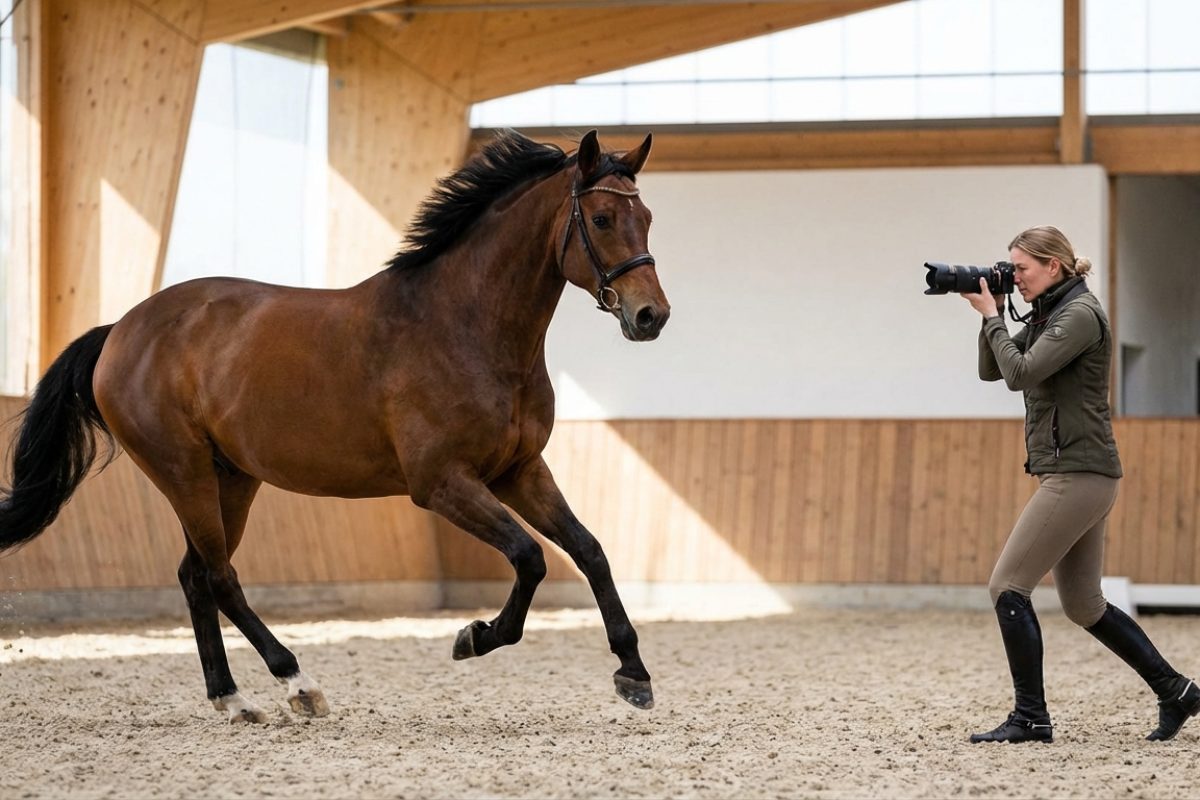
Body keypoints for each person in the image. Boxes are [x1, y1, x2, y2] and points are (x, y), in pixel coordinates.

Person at [963, 225, 1200, 744]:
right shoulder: (1052, 313)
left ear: (1054, 265)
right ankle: (1177, 691)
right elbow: (992, 370)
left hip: (1078, 474)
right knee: (1083, 604)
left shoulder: (1078, 315)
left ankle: (1030, 718)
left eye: (1021, 268)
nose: (1014, 276)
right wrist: (995, 314)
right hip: (1076, 472)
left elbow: (1020, 373)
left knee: (1007, 587)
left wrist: (991, 318)